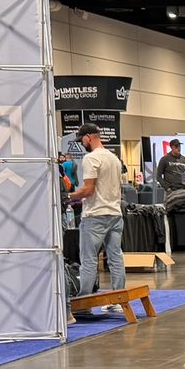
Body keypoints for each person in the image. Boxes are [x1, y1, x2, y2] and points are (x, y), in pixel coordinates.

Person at [67, 123, 125, 310]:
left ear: (89, 137)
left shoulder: (90, 158)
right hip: (115, 214)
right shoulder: (114, 159)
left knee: (89, 259)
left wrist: (68, 196)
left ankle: (84, 304)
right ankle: (118, 301)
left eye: (82, 139)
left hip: (95, 216)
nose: (81, 143)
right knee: (115, 258)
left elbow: (88, 190)